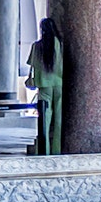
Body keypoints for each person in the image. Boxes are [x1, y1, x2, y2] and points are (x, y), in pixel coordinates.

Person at [26, 17, 64, 155]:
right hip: (59, 83)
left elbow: (32, 65)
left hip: (44, 85)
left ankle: (43, 150)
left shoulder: (37, 46)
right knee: (59, 119)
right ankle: (57, 149)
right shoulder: (59, 43)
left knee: (45, 119)